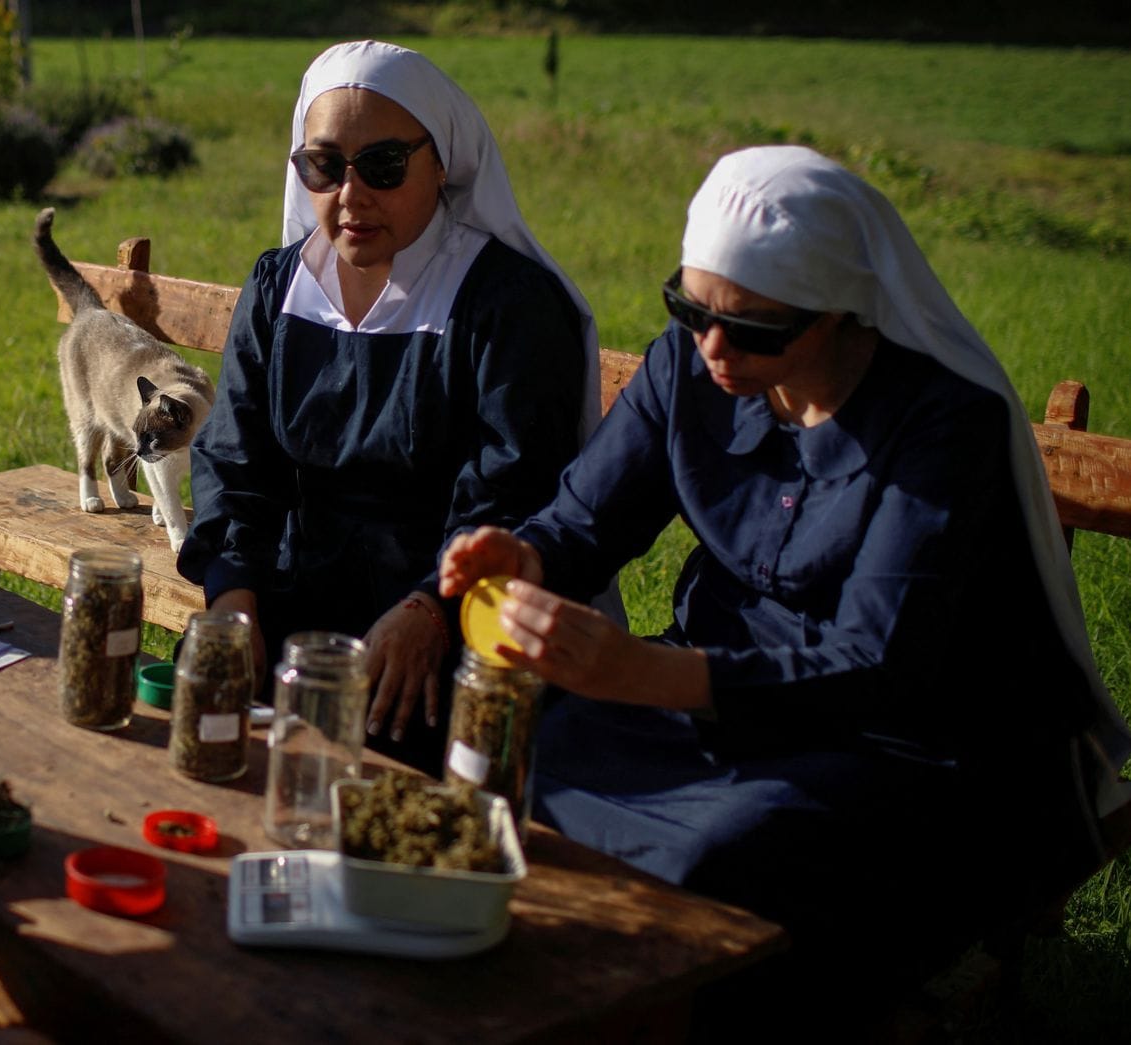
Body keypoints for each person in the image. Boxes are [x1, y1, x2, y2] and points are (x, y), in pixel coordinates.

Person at [439, 145, 1131, 1008]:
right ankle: (556, 988)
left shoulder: (943, 427)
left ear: (841, 312)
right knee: (512, 747)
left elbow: (879, 664)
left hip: (908, 738)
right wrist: (524, 555)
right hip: (715, 696)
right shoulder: (689, 364)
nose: (715, 347)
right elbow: (585, 519)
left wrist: (643, 674)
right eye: (690, 309)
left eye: (757, 327)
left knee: (727, 855)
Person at [176, 40, 611, 771]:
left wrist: (431, 613)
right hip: (292, 601)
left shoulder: (505, 304)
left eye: (382, 166)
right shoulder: (280, 284)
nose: (350, 196)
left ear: (440, 163)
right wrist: (233, 594)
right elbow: (234, 455)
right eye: (322, 166)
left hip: (443, 619)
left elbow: (516, 491)